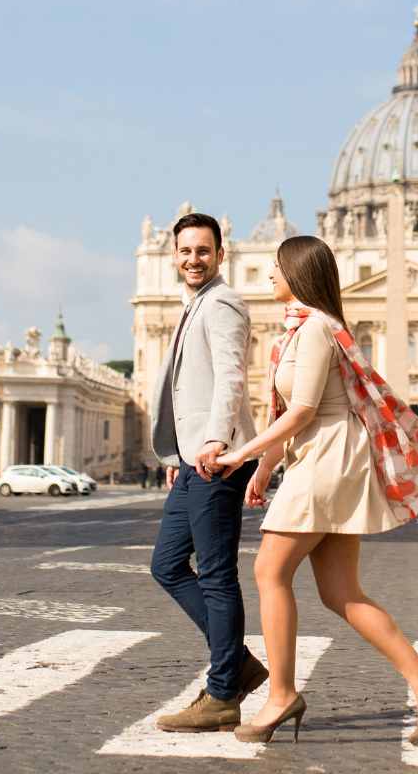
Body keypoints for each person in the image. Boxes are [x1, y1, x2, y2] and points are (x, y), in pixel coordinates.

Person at [213, 235, 418, 747]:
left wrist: (241, 454)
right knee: (340, 592)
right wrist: (265, 467)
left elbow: (303, 411)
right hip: (326, 456)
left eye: (277, 268)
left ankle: (281, 694)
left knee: (268, 570)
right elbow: (298, 415)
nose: (269, 276)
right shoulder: (312, 328)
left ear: (300, 272)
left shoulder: (315, 330)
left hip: (325, 460)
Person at [147, 213, 264, 733]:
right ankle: (236, 663)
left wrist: (216, 438)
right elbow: (183, 390)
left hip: (218, 456)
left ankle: (222, 694)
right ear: (175, 254)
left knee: (216, 575)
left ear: (221, 253)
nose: (193, 259)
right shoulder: (191, 304)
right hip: (193, 457)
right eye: (185, 250)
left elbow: (231, 377)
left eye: (203, 250)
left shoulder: (223, 303)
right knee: (167, 564)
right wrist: (178, 452)